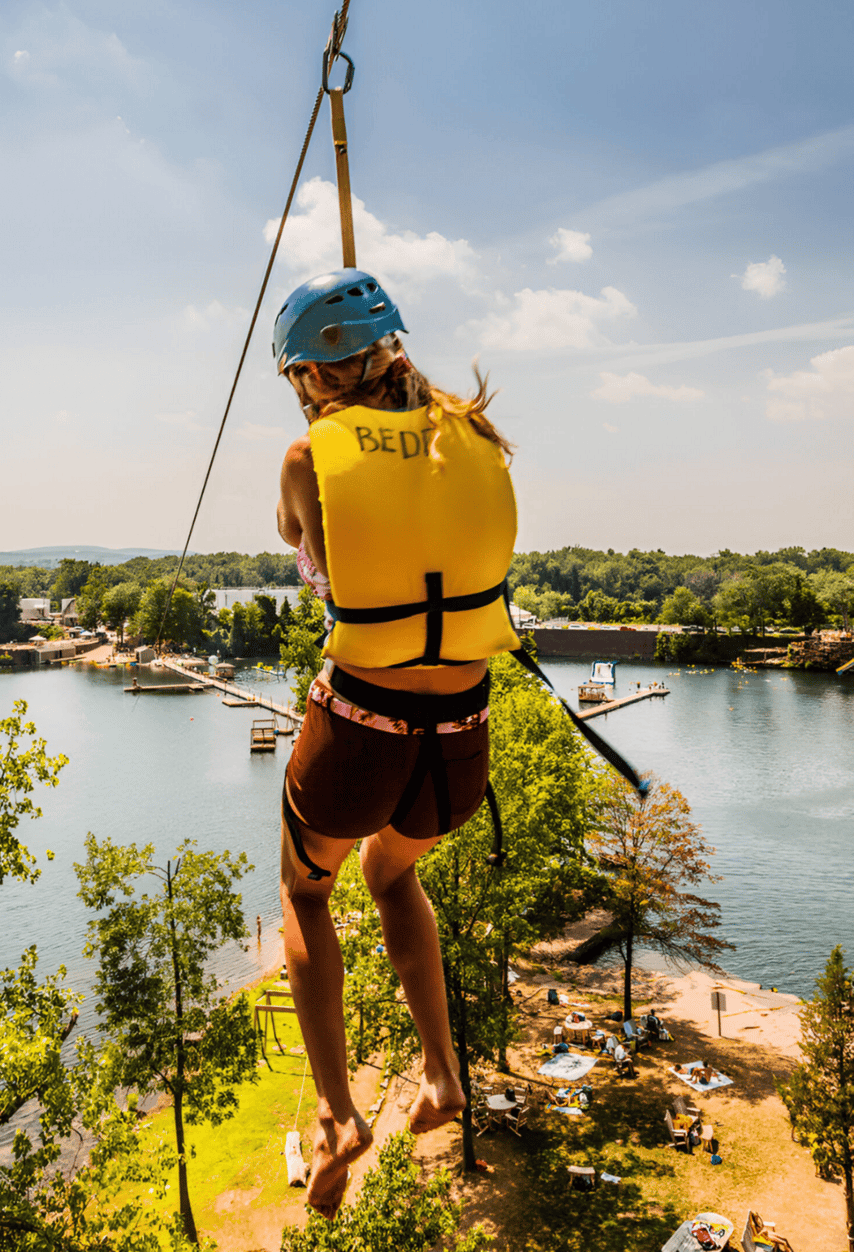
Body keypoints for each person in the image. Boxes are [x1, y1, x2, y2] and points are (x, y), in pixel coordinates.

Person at [273, 268, 520, 1218]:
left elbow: (307, 556)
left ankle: (336, 1117)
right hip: (461, 740)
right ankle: (441, 1071)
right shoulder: (482, 438)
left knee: (307, 890)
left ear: (314, 377)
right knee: (392, 875)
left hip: (361, 730)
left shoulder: (305, 454)